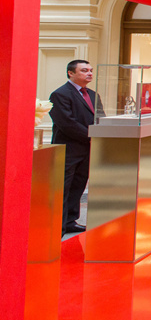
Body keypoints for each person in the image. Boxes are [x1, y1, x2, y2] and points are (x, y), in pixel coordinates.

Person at [49, 60, 102, 236]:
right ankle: (58, 226)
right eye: (84, 70)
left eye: (91, 70)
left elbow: (100, 118)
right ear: (71, 73)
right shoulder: (60, 94)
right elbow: (67, 123)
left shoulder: (93, 94)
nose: (89, 73)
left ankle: (70, 221)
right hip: (69, 149)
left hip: (87, 149)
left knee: (78, 186)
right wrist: (91, 135)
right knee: (63, 188)